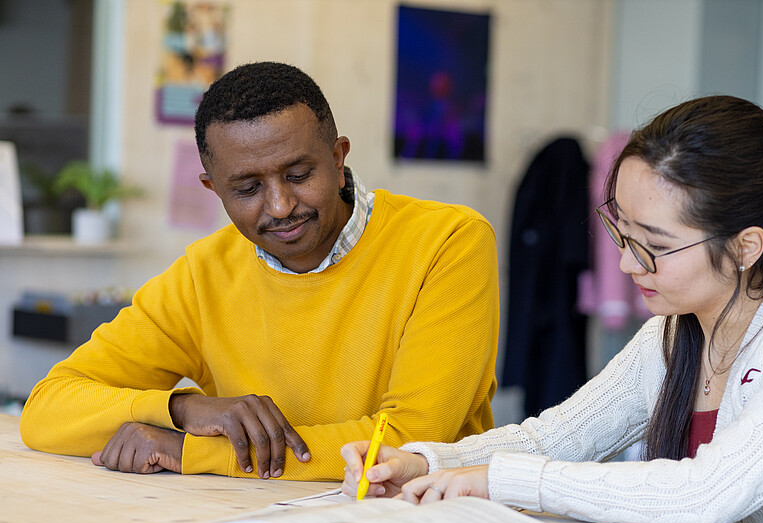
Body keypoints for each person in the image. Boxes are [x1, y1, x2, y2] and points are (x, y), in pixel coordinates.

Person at [341, 95, 763, 523]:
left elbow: (705, 494)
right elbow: (551, 441)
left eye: (656, 247)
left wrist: (498, 481)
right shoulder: (674, 336)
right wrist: (423, 463)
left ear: (747, 245)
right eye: (621, 234)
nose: (626, 265)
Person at [20, 61, 499, 481]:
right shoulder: (203, 274)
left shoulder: (448, 242)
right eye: (247, 188)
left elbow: (408, 440)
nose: (281, 205)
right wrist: (181, 409)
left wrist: (191, 452)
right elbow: (46, 410)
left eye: (297, 175)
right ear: (213, 189)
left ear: (337, 158)